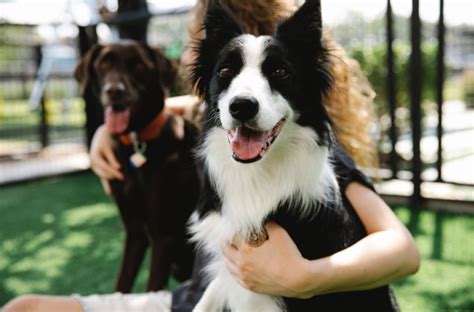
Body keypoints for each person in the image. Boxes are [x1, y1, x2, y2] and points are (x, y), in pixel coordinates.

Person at [3, 1, 419, 311]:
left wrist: (303, 278)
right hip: (195, 296)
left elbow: (402, 249)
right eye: (226, 71)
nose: (243, 95)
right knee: (24, 307)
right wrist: (106, 132)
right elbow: (178, 108)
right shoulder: (215, 121)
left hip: (239, 300)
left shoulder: (313, 154)